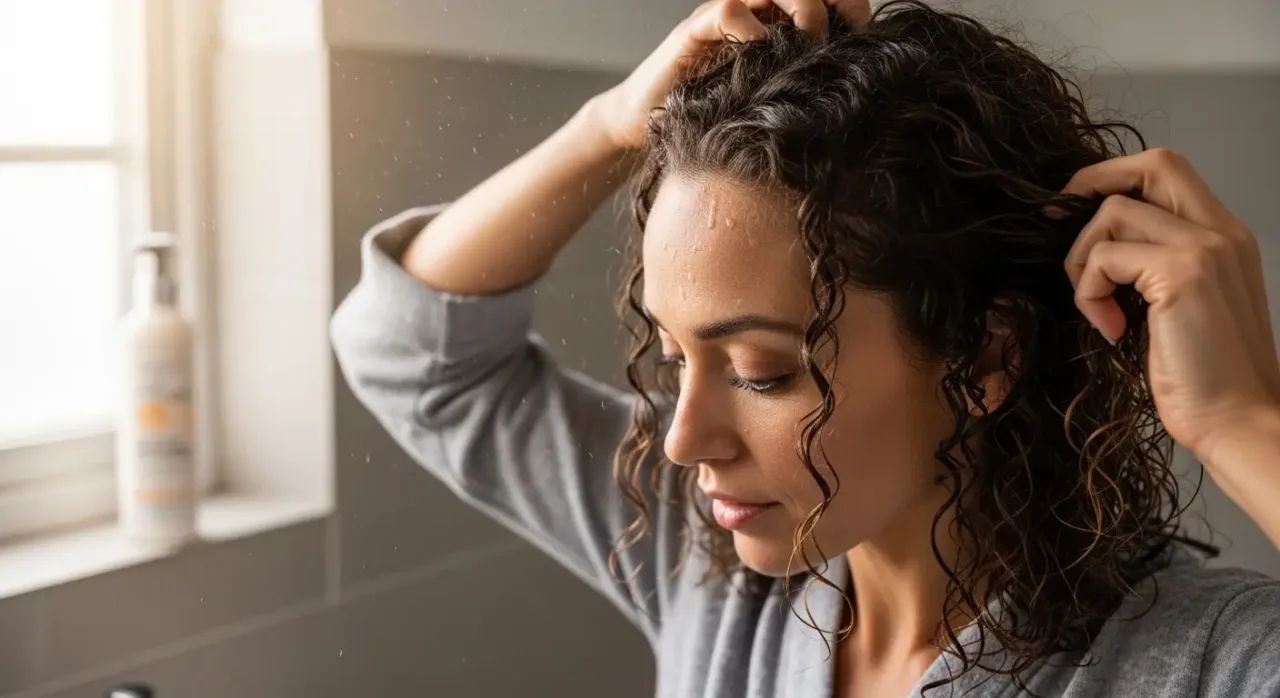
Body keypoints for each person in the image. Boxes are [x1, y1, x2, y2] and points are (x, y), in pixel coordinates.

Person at [330, 1, 1280, 696]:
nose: (682, 441)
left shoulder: (1203, 660)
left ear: (986, 357)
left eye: (761, 373)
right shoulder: (712, 568)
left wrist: (1243, 422)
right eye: (671, 358)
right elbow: (412, 354)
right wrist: (614, 124)